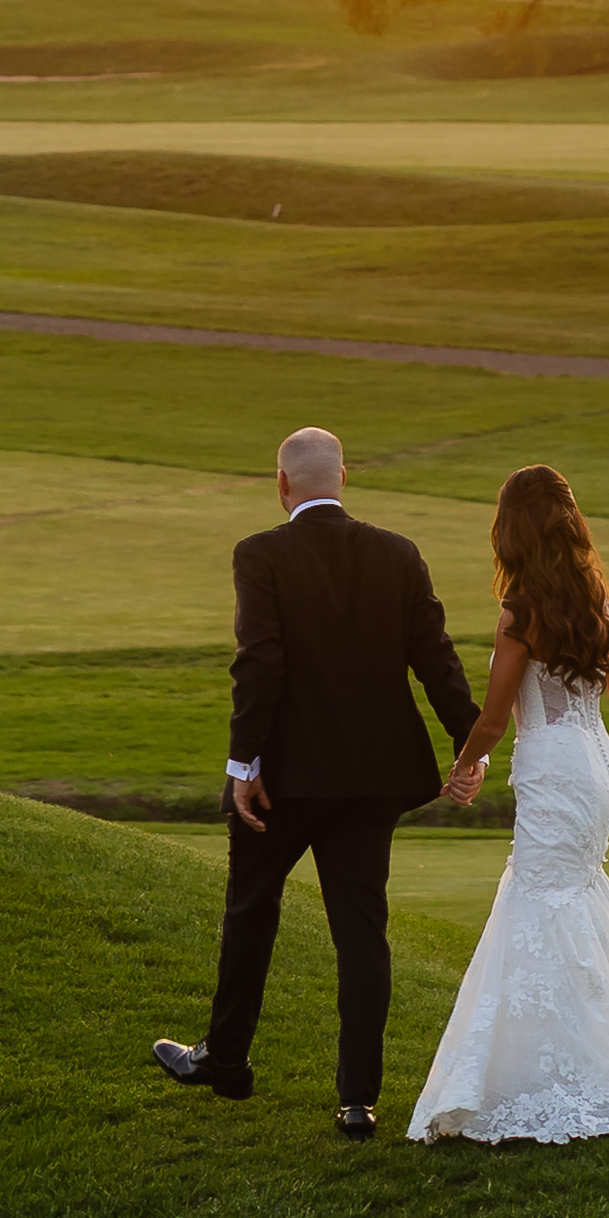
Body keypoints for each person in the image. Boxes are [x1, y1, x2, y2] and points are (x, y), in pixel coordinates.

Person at [154, 424, 479, 1139]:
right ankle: (358, 1099)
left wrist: (243, 765)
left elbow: (260, 663)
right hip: (372, 781)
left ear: (282, 485)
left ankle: (227, 1059)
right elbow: (436, 657)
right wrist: (471, 742)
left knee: (251, 910)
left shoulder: (259, 553)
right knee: (363, 934)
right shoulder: (398, 553)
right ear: (344, 477)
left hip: (284, 783)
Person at [405, 462, 609, 1147]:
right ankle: (572, 1047)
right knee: (571, 896)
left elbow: (496, 716)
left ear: (512, 532)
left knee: (540, 899)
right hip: (599, 767)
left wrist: (463, 762)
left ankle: (556, 1067)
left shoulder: (522, 611)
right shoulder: (597, 601)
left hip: (554, 769)